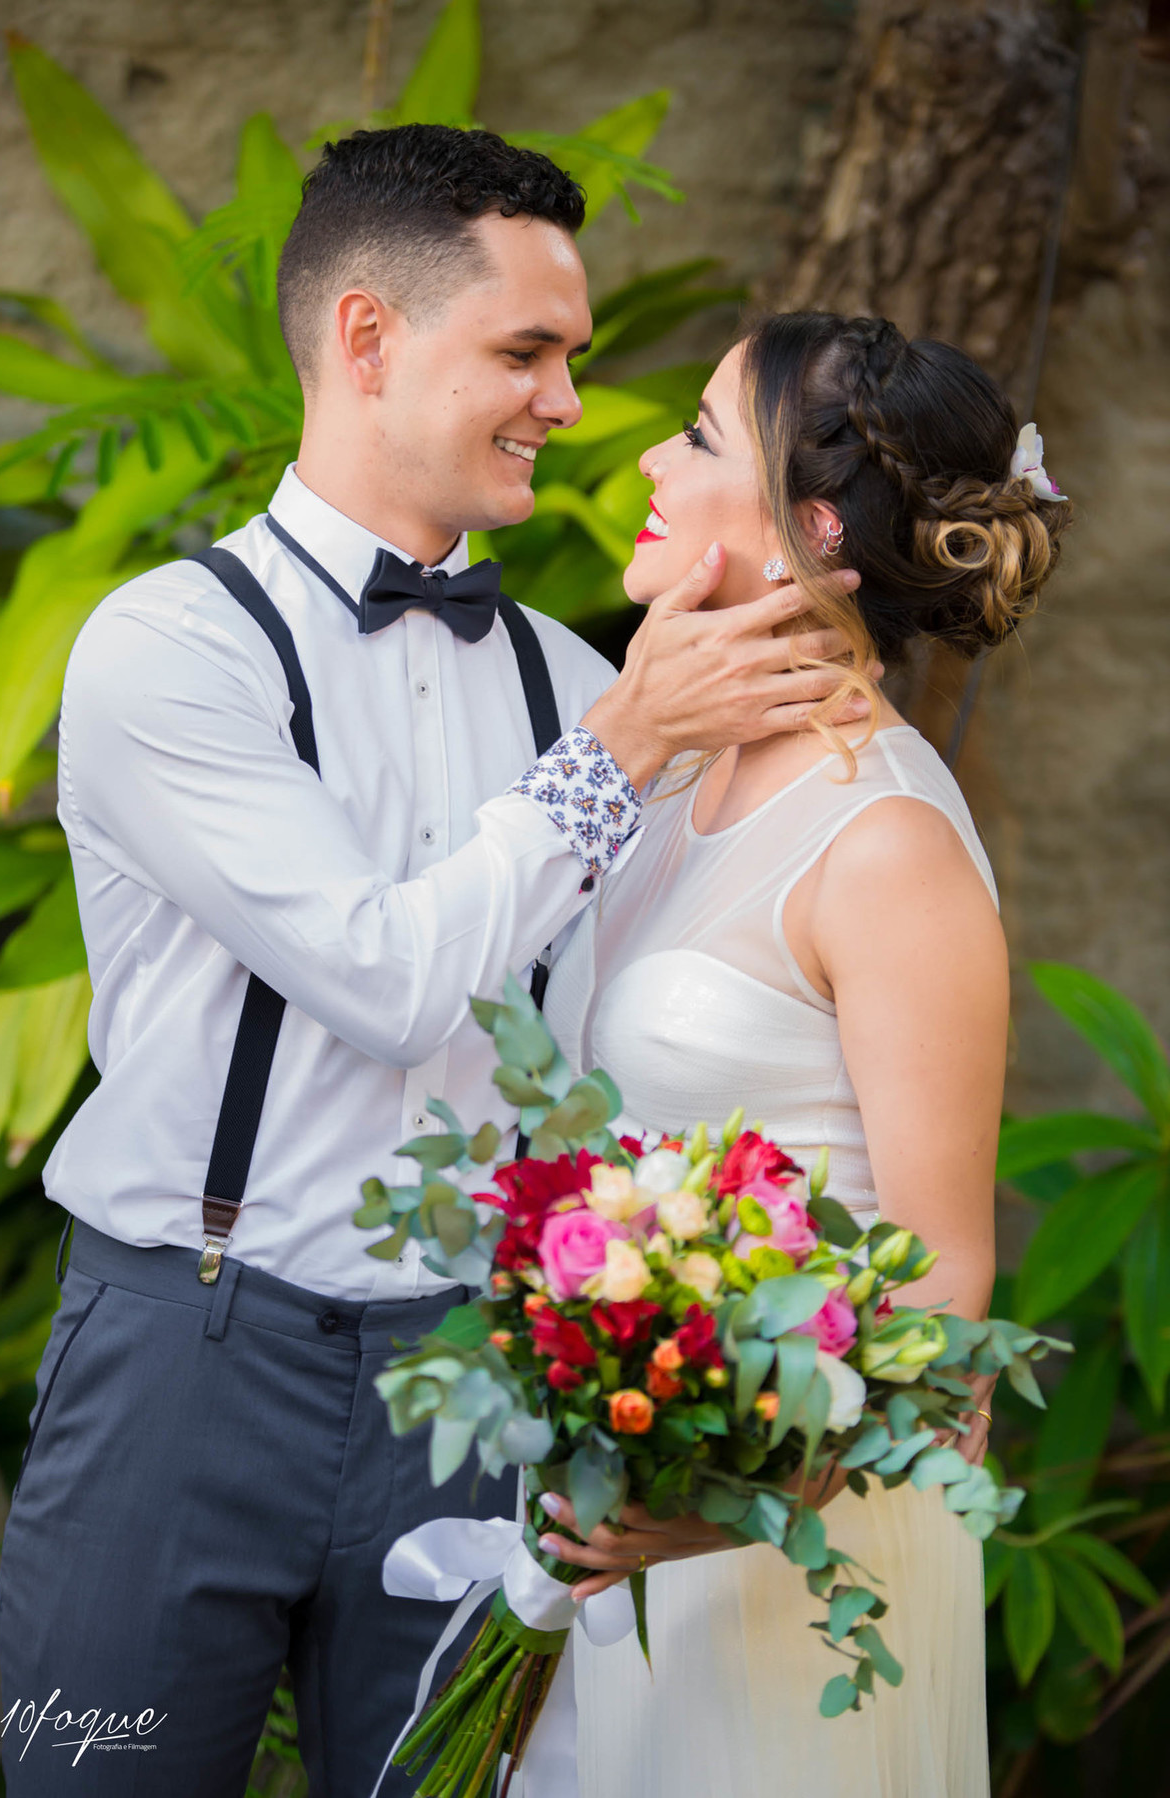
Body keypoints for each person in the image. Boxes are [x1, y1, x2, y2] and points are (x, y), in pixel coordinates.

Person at [0, 129, 868, 1798]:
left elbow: (653, 1008)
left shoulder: (568, 679)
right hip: (190, 1355)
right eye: (524, 352)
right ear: (370, 338)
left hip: (482, 1377)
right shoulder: (168, 651)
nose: (564, 399)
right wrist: (621, 746)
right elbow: (387, 977)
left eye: (577, 359)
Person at [537, 311, 1071, 1796]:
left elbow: (946, 1301)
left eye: (701, 435)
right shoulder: (676, 769)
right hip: (641, 1519)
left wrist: (718, 1506)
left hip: (799, 1554)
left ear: (805, 534)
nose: (645, 452)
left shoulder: (885, 843)